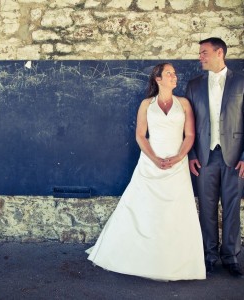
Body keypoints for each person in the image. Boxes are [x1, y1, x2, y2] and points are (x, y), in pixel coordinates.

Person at [86, 63, 206, 281]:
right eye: (169, 73)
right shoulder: (146, 105)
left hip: (177, 163)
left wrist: (179, 157)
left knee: (176, 211)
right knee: (143, 208)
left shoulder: (184, 103)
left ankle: (176, 262)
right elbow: (141, 135)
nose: (174, 76)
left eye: (174, 73)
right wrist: (154, 159)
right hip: (151, 161)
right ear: (158, 79)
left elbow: (189, 135)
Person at [185, 37, 244, 278]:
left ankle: (230, 256)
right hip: (205, 158)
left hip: (235, 158)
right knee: (206, 209)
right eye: (200, 53)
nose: (200, 57)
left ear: (219, 53)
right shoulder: (194, 85)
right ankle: (208, 255)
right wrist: (192, 154)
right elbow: (189, 125)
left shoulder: (243, 83)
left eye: (204, 52)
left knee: (231, 208)